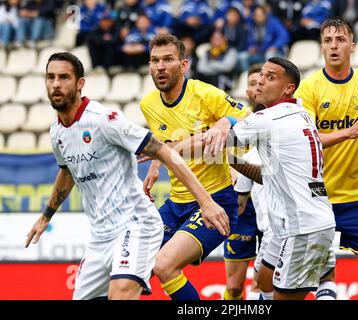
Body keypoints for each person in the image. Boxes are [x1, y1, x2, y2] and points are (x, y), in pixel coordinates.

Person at [25, 52, 229, 300]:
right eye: (51, 77)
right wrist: (46, 216)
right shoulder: (57, 131)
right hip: (100, 236)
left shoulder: (105, 120)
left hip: (135, 225)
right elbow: (67, 172)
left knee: (122, 293)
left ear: (80, 83)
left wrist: (205, 201)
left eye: (64, 77)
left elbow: (165, 151)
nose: (56, 84)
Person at [206, 57, 337, 300]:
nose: (260, 83)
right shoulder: (301, 113)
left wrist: (163, 149)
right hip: (294, 224)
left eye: (269, 77)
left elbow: (209, 143)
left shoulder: (267, 119)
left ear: (289, 88)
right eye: (259, 77)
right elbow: (267, 176)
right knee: (263, 278)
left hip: (302, 227)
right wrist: (230, 159)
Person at [139, 34, 249, 300]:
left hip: (216, 201)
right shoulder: (148, 104)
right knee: (134, 267)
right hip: (176, 203)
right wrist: (156, 164)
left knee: (164, 265)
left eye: (168, 59)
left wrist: (226, 122)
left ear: (184, 65)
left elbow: (248, 116)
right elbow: (164, 141)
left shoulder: (204, 94)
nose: (160, 67)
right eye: (155, 60)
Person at [294, 17, 358, 300]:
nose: (334, 46)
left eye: (340, 40)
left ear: (353, 46)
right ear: (321, 48)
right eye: (327, 41)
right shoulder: (309, 88)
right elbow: (305, 142)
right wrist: (348, 132)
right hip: (316, 200)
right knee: (303, 285)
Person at [223, 63, 265, 301]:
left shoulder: (277, 121)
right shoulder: (233, 124)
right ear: (246, 92)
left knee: (263, 282)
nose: (257, 88)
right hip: (241, 209)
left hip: (270, 206)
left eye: (262, 82)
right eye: (252, 84)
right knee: (235, 285)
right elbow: (224, 158)